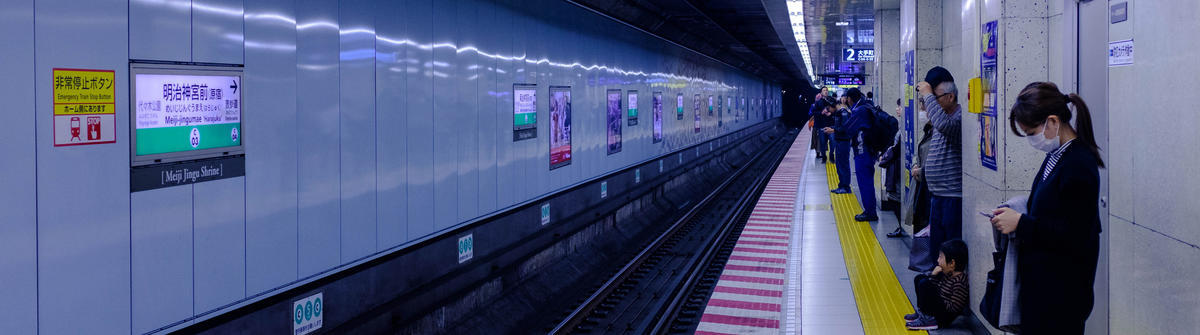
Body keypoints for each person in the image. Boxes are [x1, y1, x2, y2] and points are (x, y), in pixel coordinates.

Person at [990, 82, 1104, 335]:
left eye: (1031, 132)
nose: (1032, 139)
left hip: (1063, 294)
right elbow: (1050, 209)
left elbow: (1075, 234)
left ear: (1052, 121)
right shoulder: (1057, 155)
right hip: (1045, 287)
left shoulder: (1078, 164)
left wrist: (1020, 223)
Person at [916, 66, 963, 266]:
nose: (928, 105)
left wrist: (927, 94)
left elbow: (945, 126)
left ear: (950, 97)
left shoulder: (959, 119)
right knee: (938, 254)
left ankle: (950, 293)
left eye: (935, 99)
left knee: (950, 254)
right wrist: (924, 171)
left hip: (953, 198)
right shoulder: (940, 118)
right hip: (938, 195)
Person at [905, 239, 970, 330]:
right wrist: (934, 276)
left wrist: (937, 297)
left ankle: (928, 319)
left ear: (952, 263)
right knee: (919, 278)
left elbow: (954, 308)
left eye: (941, 257)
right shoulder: (948, 274)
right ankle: (923, 313)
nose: (938, 260)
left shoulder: (960, 282)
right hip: (939, 309)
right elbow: (936, 288)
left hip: (943, 318)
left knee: (925, 284)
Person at [841, 88, 879, 221]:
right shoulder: (866, 106)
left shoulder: (859, 110)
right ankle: (870, 210)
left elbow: (848, 128)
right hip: (869, 151)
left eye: (846, 98)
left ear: (850, 99)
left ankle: (870, 212)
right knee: (867, 181)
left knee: (865, 182)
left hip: (863, 152)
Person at [879, 98, 904, 236]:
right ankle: (901, 226)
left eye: (899, 107)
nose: (897, 109)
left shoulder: (905, 127)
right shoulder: (901, 125)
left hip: (898, 168)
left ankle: (902, 226)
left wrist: (885, 158)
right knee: (893, 196)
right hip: (895, 166)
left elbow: (896, 148)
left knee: (895, 197)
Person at [822, 96, 853, 195]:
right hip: (840, 141)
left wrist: (833, 130)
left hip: (843, 142)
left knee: (843, 164)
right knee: (840, 164)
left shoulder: (843, 112)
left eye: (828, 108)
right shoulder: (839, 113)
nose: (828, 110)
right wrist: (831, 127)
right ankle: (842, 185)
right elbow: (840, 126)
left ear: (833, 106)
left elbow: (845, 128)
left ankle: (845, 187)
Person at [809, 91, 835, 163]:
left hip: (831, 125)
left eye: (826, 90)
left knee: (833, 141)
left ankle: (831, 155)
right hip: (821, 126)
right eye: (824, 90)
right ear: (821, 93)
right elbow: (813, 113)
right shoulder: (818, 102)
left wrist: (831, 113)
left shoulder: (832, 100)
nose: (826, 91)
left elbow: (836, 110)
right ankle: (824, 157)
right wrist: (821, 112)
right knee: (822, 143)